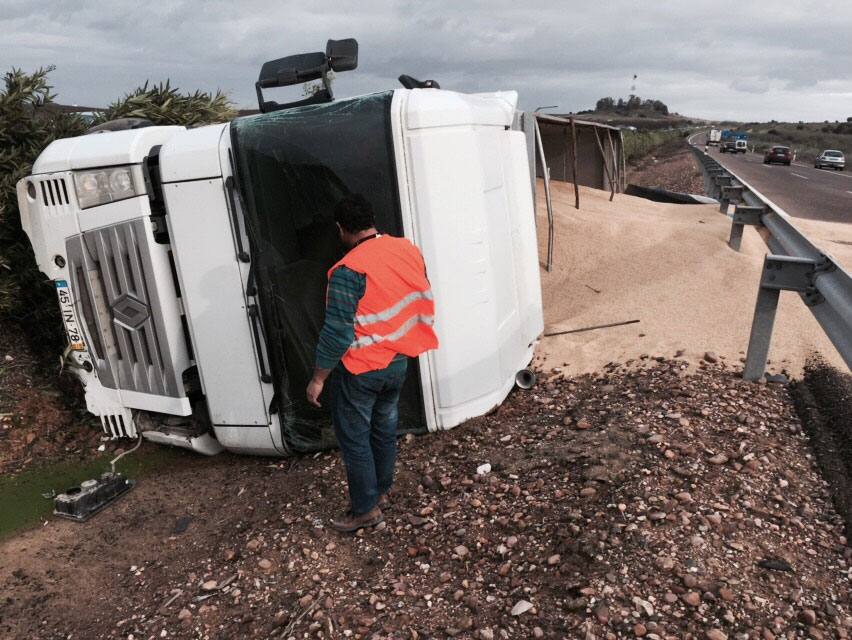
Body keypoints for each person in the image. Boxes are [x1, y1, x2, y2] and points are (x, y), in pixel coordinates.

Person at [307, 194, 438, 533]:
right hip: (398, 363)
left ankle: (364, 510)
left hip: (363, 369)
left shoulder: (348, 270)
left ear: (341, 229)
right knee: (384, 428)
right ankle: (380, 491)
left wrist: (318, 378)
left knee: (355, 438)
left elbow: (337, 334)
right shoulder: (407, 249)